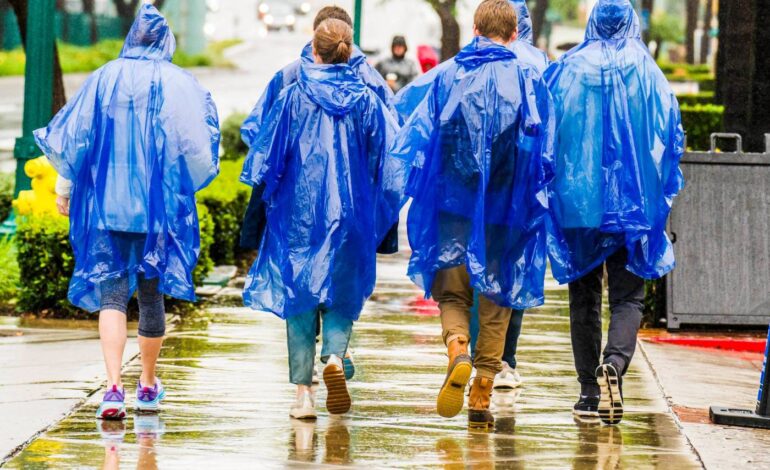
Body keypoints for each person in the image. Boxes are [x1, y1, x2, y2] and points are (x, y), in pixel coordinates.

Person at [34, 4, 220, 420]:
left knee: (112, 298)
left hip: (107, 207)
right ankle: (148, 385)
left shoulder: (103, 79)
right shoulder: (177, 84)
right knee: (152, 298)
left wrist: (64, 191)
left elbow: (75, 140)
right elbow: (197, 148)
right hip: (154, 212)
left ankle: (114, 387)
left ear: (130, 37)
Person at [390, 0, 554, 428]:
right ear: (515, 34)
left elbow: (414, 131)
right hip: (506, 210)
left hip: (453, 207)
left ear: (476, 28)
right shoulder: (529, 79)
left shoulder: (447, 75)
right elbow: (546, 149)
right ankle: (483, 382)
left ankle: (457, 347)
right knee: (498, 294)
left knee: (452, 292)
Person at [240, 18, 405, 420]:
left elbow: (266, 161)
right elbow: (389, 160)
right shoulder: (367, 99)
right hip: (351, 214)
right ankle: (333, 356)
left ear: (313, 50)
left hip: (298, 215)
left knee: (299, 300)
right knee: (342, 295)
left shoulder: (294, 96)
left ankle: (303, 395)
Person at [544, 0, 684, 425]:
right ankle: (615, 367)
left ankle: (589, 392)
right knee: (627, 296)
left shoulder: (568, 69)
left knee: (583, 296)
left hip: (579, 202)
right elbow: (670, 135)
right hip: (632, 204)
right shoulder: (647, 72)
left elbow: (548, 133)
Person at [466, 0, 552, 392]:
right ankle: (504, 360)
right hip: (518, 188)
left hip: (473, 188)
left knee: (474, 270)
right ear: (520, 28)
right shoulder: (536, 66)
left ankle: (473, 355)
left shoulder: (466, 64)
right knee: (511, 270)